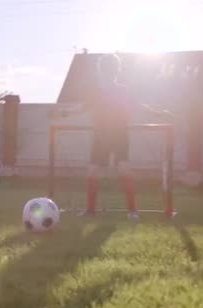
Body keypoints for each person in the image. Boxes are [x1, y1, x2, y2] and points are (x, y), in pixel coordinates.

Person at [54, 53, 174, 220]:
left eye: (111, 69)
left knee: (124, 170)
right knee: (91, 172)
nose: (108, 72)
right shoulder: (96, 92)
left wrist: (158, 113)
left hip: (119, 135)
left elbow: (138, 105)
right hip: (100, 137)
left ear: (116, 71)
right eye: (105, 69)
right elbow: (82, 108)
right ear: (101, 71)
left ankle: (132, 210)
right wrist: (65, 112)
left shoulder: (122, 91)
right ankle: (90, 210)